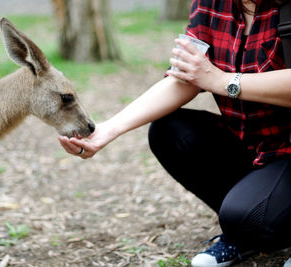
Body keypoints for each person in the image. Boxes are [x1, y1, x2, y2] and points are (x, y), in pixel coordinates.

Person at [59, 0, 291, 266]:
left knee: (246, 214)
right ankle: (244, 233)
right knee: (170, 131)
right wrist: (107, 130)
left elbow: (211, 78)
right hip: (254, 146)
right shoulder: (212, 4)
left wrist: (222, 81)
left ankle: (254, 222)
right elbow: (186, 78)